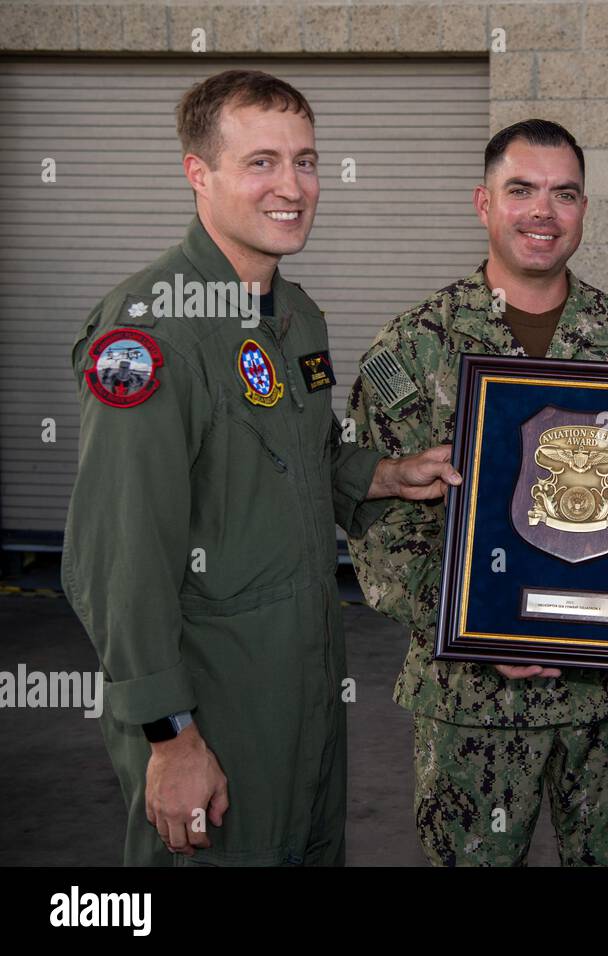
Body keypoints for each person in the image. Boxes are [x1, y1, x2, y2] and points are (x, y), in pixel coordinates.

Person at [63, 70, 457, 866]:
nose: (292, 186)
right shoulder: (148, 334)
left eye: (306, 162)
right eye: (262, 163)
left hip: (305, 685)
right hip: (212, 703)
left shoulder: (296, 315)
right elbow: (116, 557)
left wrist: (381, 475)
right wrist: (169, 737)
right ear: (197, 173)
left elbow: (292, 460)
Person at [346, 119, 608, 866]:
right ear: (482, 202)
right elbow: (376, 526)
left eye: (564, 193)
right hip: (471, 705)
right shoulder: (413, 348)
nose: (543, 211)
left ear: (584, 210)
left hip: (607, 700)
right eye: (521, 190)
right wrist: (476, 624)